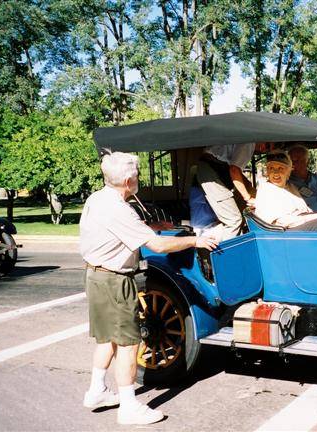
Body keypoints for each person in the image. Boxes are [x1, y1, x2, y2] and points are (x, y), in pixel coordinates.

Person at [79, 151, 217, 425]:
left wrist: (153, 226)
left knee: (107, 339)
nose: (139, 179)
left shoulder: (98, 198)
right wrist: (195, 242)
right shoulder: (118, 208)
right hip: (116, 281)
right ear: (129, 180)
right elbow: (158, 246)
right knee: (130, 344)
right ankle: (129, 407)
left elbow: (121, 229)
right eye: (138, 175)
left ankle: (96, 391)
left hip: (96, 276)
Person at [254, 151, 317, 231]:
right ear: (267, 172)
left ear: (289, 171)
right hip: (281, 233)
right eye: (271, 168)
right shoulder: (266, 190)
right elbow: (283, 222)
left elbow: (304, 212)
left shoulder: (290, 187)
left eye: (281, 168)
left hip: (295, 227)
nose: (276, 173)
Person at [195, 143, 257, 241]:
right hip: (212, 170)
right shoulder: (250, 142)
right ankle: (226, 255)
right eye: (268, 145)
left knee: (239, 213)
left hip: (216, 169)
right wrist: (248, 198)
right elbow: (234, 170)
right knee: (233, 220)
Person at [287, 144, 317, 212]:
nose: (295, 163)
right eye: (292, 160)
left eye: (300, 159)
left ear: (307, 162)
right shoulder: (287, 184)